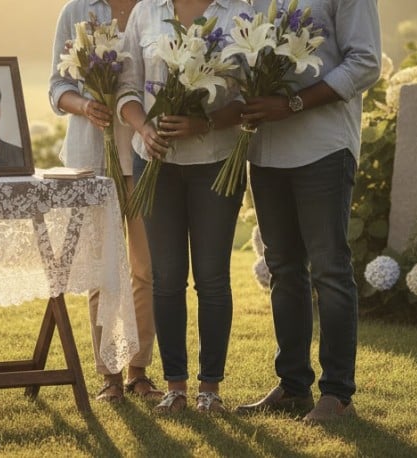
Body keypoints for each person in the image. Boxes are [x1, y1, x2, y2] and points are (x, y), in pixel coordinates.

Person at [235, 0, 381, 423]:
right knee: (282, 268)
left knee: (330, 270)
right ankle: (294, 386)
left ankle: (338, 396)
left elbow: (366, 62)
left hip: (324, 146)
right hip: (265, 150)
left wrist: (293, 103)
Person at [117, 0, 255, 413]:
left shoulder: (238, 13)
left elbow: (251, 94)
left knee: (212, 278)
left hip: (215, 162)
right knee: (166, 277)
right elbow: (127, 87)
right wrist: (144, 127)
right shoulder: (147, 11)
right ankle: (175, 386)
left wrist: (204, 123)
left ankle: (210, 389)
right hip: (154, 161)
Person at [49, 0, 164, 402]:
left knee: (145, 269)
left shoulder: (153, 8)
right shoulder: (76, 10)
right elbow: (56, 86)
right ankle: (109, 375)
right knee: (102, 272)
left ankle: (138, 371)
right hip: (90, 160)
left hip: (143, 157)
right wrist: (84, 105)